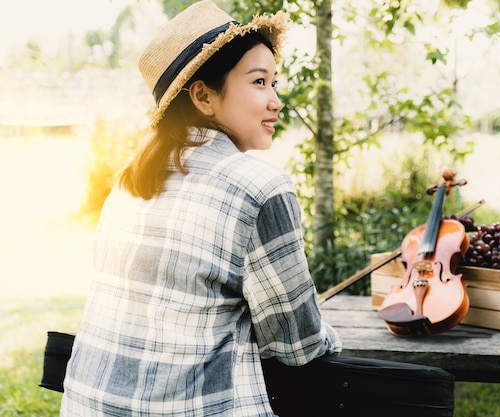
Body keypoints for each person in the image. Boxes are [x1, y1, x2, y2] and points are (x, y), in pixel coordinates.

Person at [60, 1, 342, 416]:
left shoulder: (128, 181)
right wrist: (326, 334)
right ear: (204, 96)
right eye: (260, 82)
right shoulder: (260, 187)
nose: (276, 101)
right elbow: (297, 345)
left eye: (274, 83)